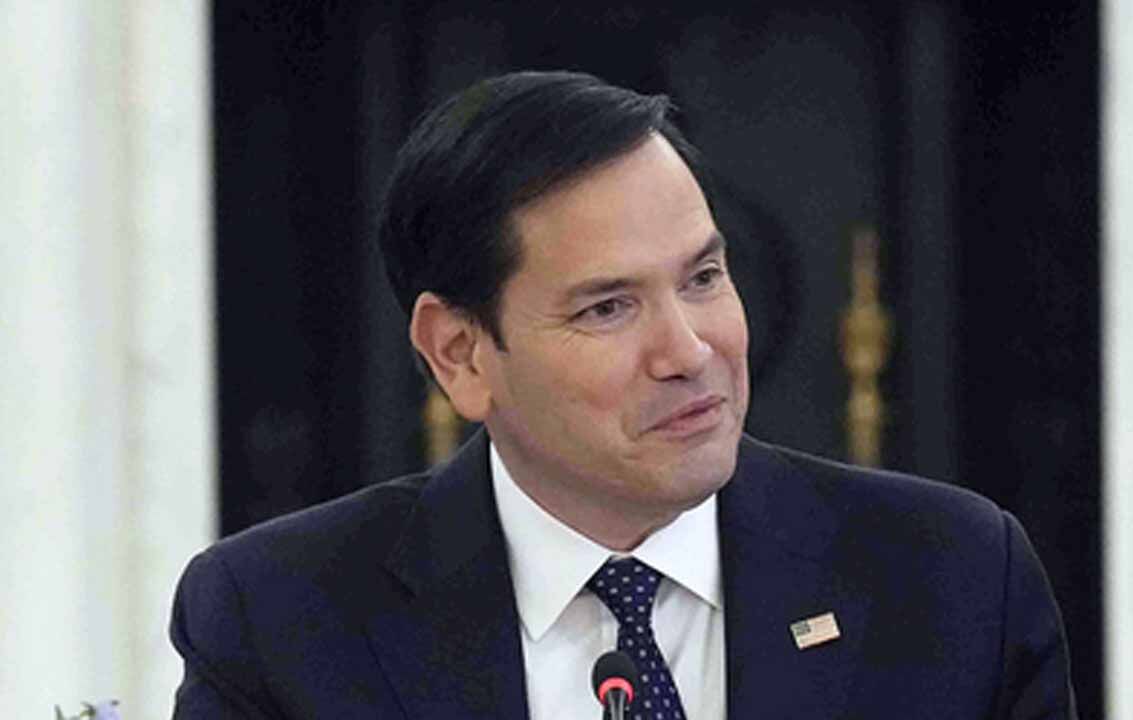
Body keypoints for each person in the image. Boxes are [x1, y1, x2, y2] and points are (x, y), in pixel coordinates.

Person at [170, 71, 1076, 719]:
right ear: (460, 354)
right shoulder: (281, 622)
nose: (690, 351)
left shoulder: (954, 580)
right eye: (608, 308)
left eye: (704, 278)